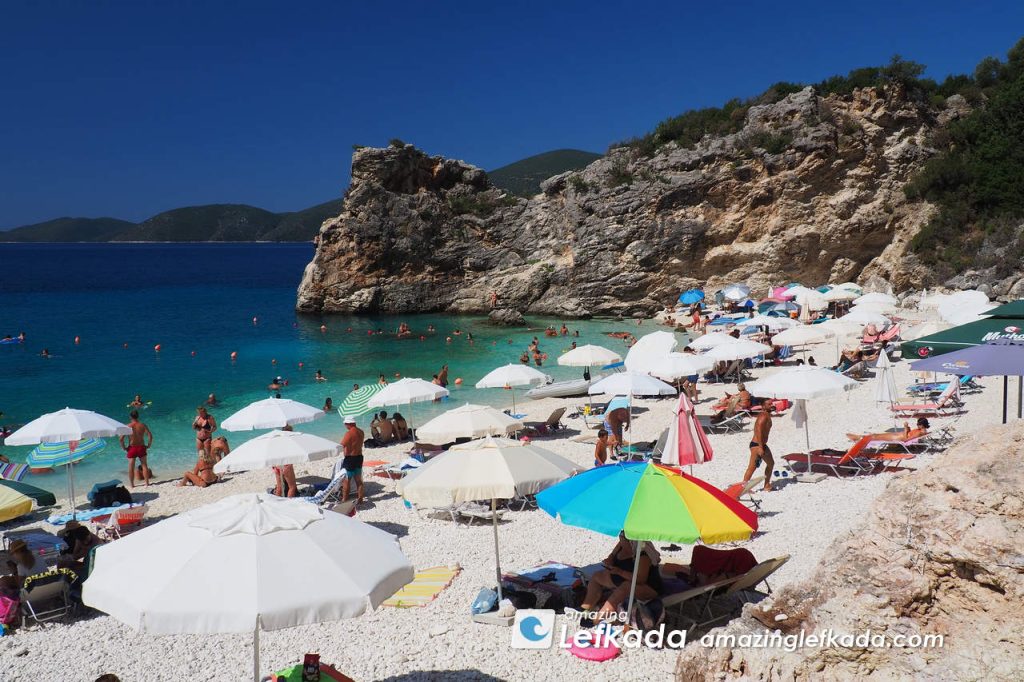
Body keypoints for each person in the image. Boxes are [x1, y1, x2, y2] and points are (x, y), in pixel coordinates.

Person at [579, 533, 662, 623]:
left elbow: (640, 579)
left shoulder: (643, 554)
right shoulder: (622, 545)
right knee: (596, 577)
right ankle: (586, 608)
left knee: (625, 587)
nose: (620, 540)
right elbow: (612, 555)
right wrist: (610, 559)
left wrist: (619, 572)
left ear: (630, 541)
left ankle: (596, 619)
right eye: (620, 537)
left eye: (622, 538)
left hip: (647, 587)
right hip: (623, 579)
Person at [744, 402, 775, 491]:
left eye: (771, 403)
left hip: (761, 444)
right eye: (769, 404)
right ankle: (744, 488)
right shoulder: (763, 416)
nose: (771, 405)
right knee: (752, 467)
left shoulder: (767, 415)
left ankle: (767, 485)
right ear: (763, 406)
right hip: (757, 445)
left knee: (771, 463)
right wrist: (761, 447)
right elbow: (758, 430)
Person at [120, 409, 153, 488]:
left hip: (132, 448)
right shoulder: (143, 425)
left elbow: (121, 439)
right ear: (138, 416)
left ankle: (132, 485)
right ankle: (147, 483)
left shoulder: (127, 426)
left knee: (131, 467)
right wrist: (148, 445)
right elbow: (150, 436)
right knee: (144, 465)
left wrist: (124, 447)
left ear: (130, 417)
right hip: (141, 447)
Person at [340, 416, 365, 505]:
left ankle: (344, 500)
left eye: (345, 424)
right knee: (358, 480)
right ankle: (360, 499)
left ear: (349, 424)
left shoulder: (349, 433)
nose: (345, 425)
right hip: (359, 457)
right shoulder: (361, 432)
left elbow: (342, 444)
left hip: (350, 458)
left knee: (346, 480)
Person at [847, 418, 930, 443]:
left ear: (922, 425)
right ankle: (859, 437)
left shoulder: (920, 432)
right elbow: (911, 435)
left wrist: (905, 428)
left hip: (899, 437)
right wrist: (908, 429)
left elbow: (905, 440)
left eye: (918, 424)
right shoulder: (923, 431)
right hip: (899, 435)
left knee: (875, 437)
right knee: (875, 435)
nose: (917, 425)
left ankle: (858, 438)